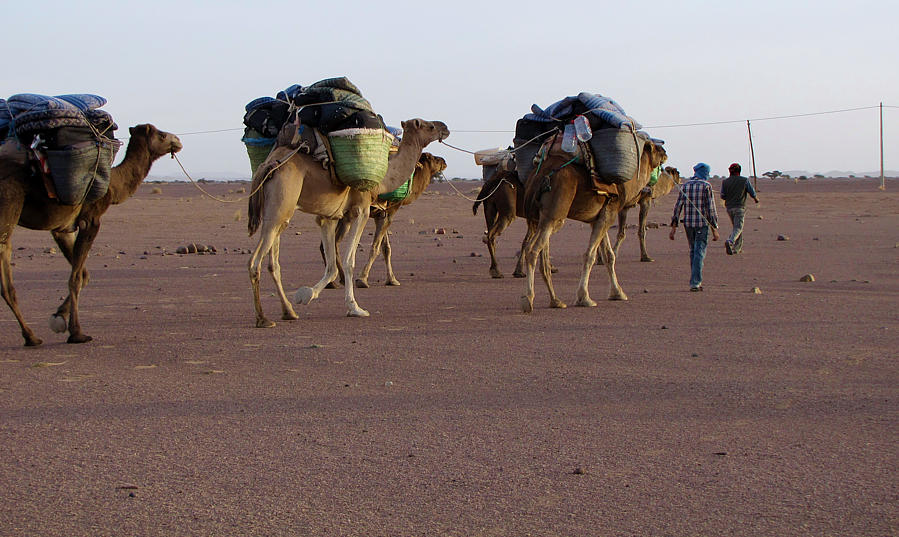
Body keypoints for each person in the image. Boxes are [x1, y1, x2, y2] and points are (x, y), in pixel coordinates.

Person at [669, 162, 719, 291]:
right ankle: (695, 282)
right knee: (699, 252)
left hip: (688, 224)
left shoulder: (685, 186)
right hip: (702, 225)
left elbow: (678, 207)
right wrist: (715, 229)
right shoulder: (706, 186)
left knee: (693, 251)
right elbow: (711, 210)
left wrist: (673, 228)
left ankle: (694, 279)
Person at [720, 163, 759, 254]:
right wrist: (756, 199)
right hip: (740, 207)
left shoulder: (725, 182)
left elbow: (723, 196)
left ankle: (737, 248)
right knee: (738, 227)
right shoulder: (744, 180)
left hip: (729, 208)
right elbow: (752, 192)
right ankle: (730, 241)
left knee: (736, 228)